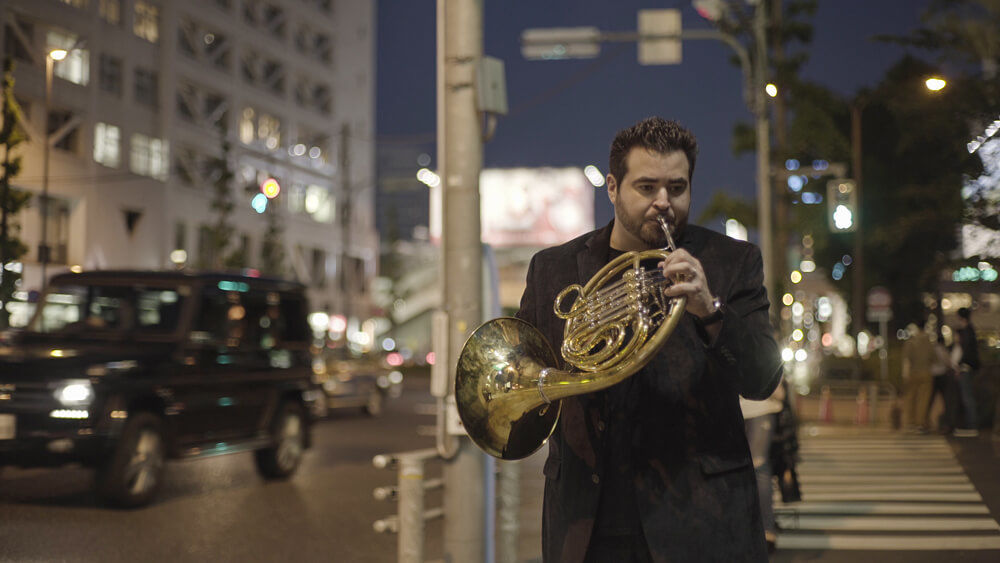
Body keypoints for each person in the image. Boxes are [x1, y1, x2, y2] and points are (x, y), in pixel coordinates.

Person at [515, 117, 782, 562]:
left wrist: (710, 310)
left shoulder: (732, 262)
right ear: (613, 188)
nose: (663, 203)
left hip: (700, 520)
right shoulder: (553, 268)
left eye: (677, 188)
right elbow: (528, 375)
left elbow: (762, 378)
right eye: (647, 188)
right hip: (589, 522)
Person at [741, 380, 787, 554]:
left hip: (760, 407)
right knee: (749, 468)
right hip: (733, 406)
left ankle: (766, 529)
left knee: (758, 466)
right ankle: (754, 528)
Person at [901, 321, 934, 434]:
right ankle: (921, 423)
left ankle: (911, 422)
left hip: (912, 373)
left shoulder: (910, 342)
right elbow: (934, 358)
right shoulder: (928, 342)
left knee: (910, 398)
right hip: (926, 373)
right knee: (923, 400)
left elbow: (906, 360)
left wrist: (905, 375)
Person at [953, 307, 980, 437]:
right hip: (967, 367)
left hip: (966, 367)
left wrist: (960, 365)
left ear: (960, 317)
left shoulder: (967, 331)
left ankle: (972, 426)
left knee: (967, 397)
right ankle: (970, 425)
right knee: (968, 397)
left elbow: (967, 351)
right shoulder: (969, 329)